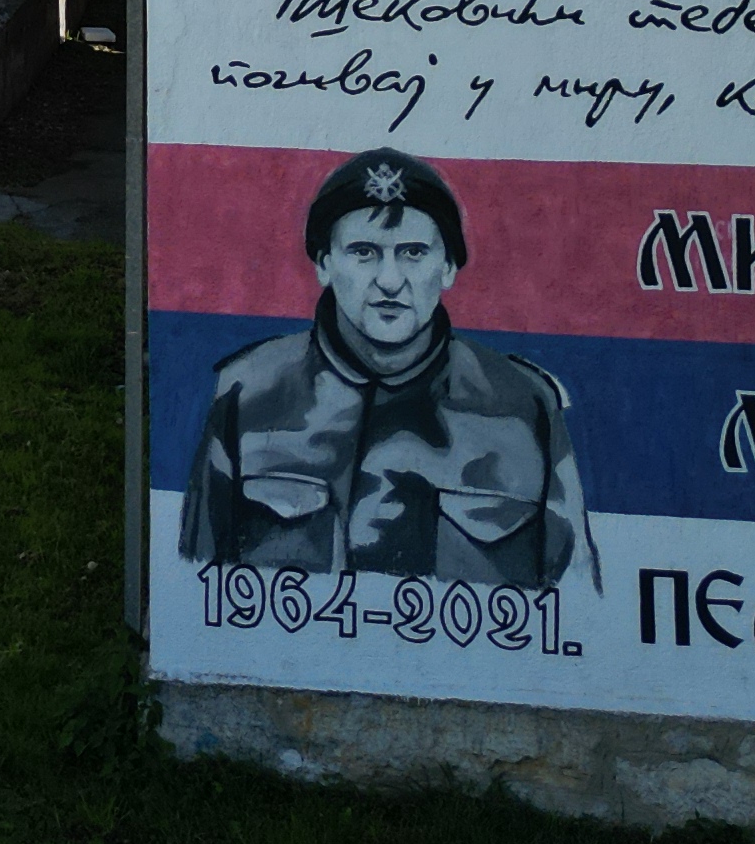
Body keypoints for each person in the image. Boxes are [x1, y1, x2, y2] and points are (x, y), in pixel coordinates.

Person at [179, 146, 592, 589]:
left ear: (448, 267)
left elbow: (577, 595)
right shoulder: (247, 392)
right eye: (364, 252)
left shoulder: (523, 404)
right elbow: (196, 582)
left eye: (413, 252)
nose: (390, 280)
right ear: (324, 264)